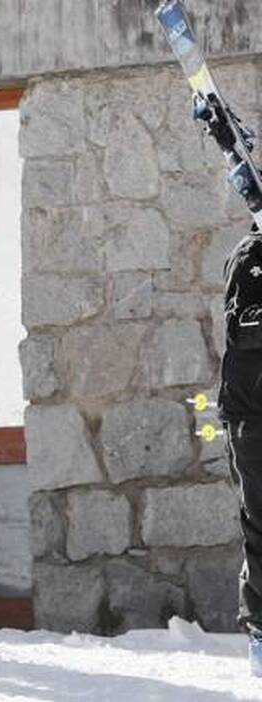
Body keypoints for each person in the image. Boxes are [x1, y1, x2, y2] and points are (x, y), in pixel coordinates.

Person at [219, 225, 262, 675]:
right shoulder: (252, 255)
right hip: (253, 418)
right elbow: (244, 325)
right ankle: (261, 633)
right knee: (260, 524)